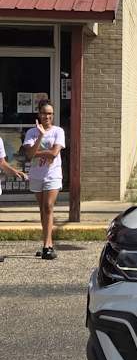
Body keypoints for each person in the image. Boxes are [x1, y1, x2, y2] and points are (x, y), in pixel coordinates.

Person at [21, 103, 65, 260]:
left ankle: (47, 247)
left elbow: (54, 153)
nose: (47, 116)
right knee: (43, 210)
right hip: (36, 175)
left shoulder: (58, 131)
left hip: (52, 174)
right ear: (39, 114)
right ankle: (48, 243)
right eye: (44, 113)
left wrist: (39, 152)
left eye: (50, 114)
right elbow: (29, 155)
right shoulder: (32, 132)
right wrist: (40, 136)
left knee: (48, 207)